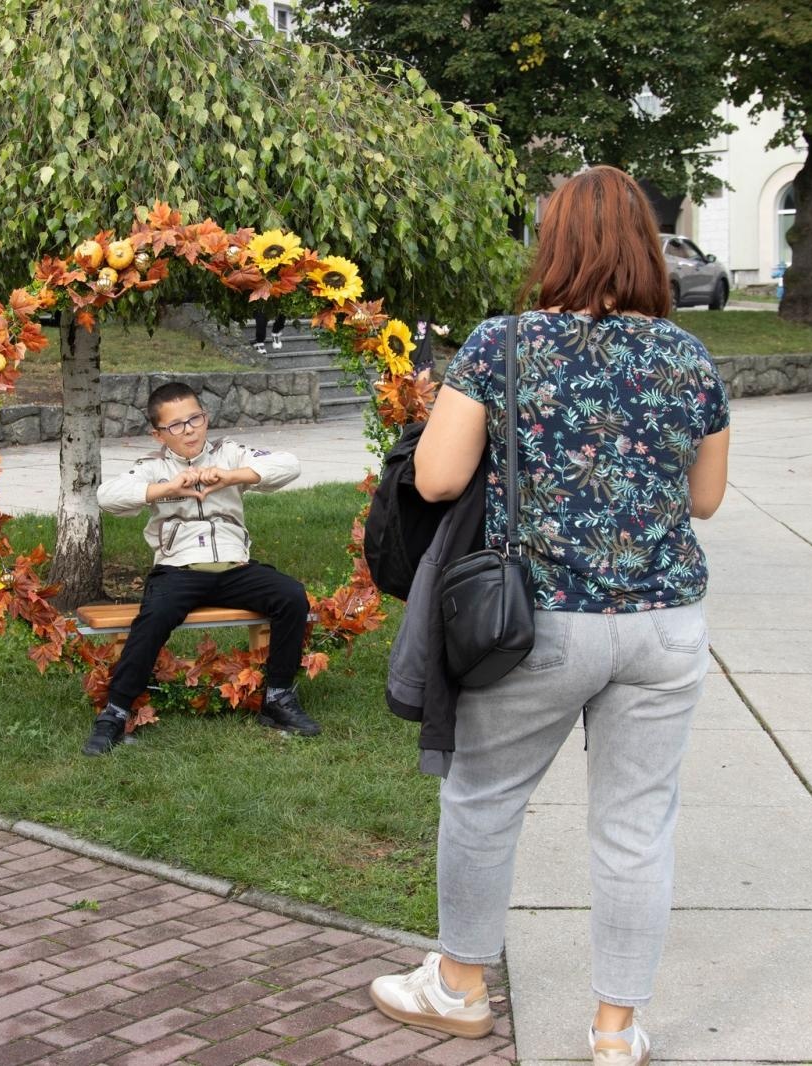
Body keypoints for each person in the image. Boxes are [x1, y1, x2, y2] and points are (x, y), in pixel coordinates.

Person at [367, 166, 731, 1063]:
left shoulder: (503, 346)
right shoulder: (689, 356)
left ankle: (458, 987)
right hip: (665, 626)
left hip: (539, 622)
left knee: (485, 800)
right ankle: (615, 1033)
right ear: (648, 246)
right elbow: (708, 499)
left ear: (555, 243)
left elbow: (439, 479)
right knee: (637, 826)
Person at [87, 381, 317, 755]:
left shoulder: (229, 453)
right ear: (158, 433)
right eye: (175, 425)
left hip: (234, 568)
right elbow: (107, 497)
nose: (188, 429)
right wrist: (167, 488)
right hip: (179, 570)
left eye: (195, 419)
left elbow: (289, 465)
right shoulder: (152, 466)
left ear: (206, 418)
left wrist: (231, 476)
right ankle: (115, 711)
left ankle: (277, 697)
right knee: (154, 616)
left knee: (290, 596)